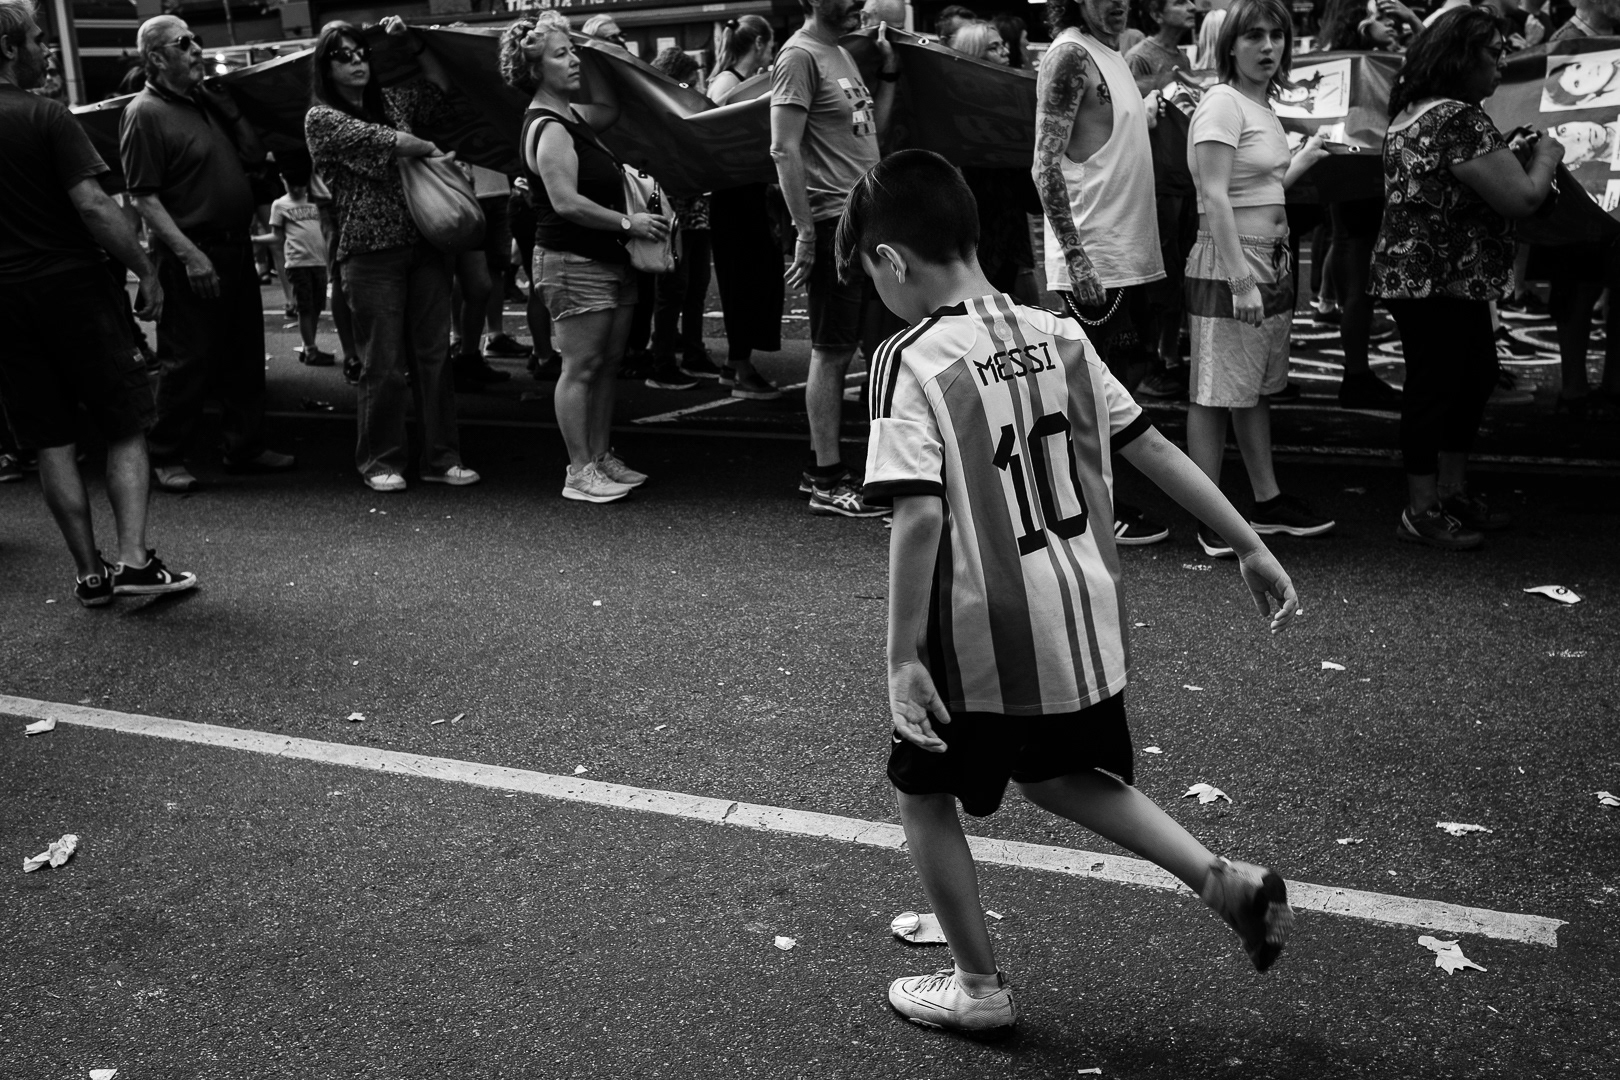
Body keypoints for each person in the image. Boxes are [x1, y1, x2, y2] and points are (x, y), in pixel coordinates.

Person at [839, 149, 1299, 1036]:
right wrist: (1248, 542)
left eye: (869, 271)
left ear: (891, 261)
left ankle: (978, 987)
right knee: (1057, 773)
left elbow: (921, 519)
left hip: (975, 634)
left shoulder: (911, 357)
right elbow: (1153, 450)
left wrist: (901, 657)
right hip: (1078, 617)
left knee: (925, 793)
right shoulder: (1061, 335)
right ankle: (1220, 879)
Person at [0, 0, 196, 603]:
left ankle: (90, 574)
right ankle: (134, 563)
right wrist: (148, 271)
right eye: (37, 39)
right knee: (124, 421)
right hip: (73, 290)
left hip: (4, 304)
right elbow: (92, 205)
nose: (45, 49)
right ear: (9, 49)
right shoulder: (44, 115)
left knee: (51, 438)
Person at [1370, 7, 1562, 549]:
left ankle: (1449, 494)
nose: (1501, 63)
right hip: (1439, 279)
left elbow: (1469, 176)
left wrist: (1508, 153)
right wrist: (1546, 155)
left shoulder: (1413, 110)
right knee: (1438, 387)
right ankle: (1422, 508)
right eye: (1493, 53)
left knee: (1471, 377)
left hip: (1426, 277)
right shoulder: (1458, 118)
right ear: (1460, 56)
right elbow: (1522, 198)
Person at [1184, 0, 1337, 558]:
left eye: (1277, 36)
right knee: (1214, 391)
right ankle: (1212, 517)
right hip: (1234, 262)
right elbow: (1215, 196)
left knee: (1253, 389)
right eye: (1254, 36)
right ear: (1229, 45)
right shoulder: (1222, 102)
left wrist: (1306, 158)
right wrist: (1240, 280)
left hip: (1269, 258)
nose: (1268, 47)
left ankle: (1266, 501)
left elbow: (1260, 188)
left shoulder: (1258, 104)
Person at [304, 18, 481, 493]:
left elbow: (444, 90)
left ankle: (441, 459)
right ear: (326, 66)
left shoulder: (395, 100)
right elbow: (394, 142)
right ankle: (380, 460)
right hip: (368, 254)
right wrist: (430, 150)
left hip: (424, 244)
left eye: (361, 51)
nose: (357, 60)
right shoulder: (321, 119)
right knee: (381, 363)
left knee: (433, 358)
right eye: (343, 54)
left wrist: (410, 41)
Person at [121, 15, 294, 493]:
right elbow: (145, 198)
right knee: (187, 359)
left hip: (234, 248)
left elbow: (256, 158)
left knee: (243, 354)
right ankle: (165, 454)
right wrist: (190, 255)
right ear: (156, 57)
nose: (197, 48)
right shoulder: (145, 113)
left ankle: (245, 446)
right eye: (184, 43)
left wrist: (232, 111)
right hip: (192, 255)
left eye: (195, 39)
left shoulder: (206, 102)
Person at [503, 11, 667, 503]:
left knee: (607, 363)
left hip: (606, 259)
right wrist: (628, 223)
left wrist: (595, 52)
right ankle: (579, 470)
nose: (572, 60)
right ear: (536, 69)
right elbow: (565, 202)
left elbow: (611, 107)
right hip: (572, 260)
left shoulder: (573, 116)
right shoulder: (549, 125)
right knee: (581, 367)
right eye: (562, 54)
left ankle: (600, 457)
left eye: (573, 51)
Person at [1034, 0, 1173, 545]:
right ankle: (1089, 509)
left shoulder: (1112, 53)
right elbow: (1044, 164)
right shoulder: (1069, 55)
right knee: (1089, 394)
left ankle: (1097, 497)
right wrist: (1076, 258)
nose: (1116, 2)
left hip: (1127, 255)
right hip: (1094, 259)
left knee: (1120, 381)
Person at [771, 0, 900, 517]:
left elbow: (870, 135)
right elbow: (783, 149)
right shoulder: (798, 56)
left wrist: (888, 73)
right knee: (831, 349)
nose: (858, 2)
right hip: (832, 222)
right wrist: (806, 231)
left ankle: (836, 470)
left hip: (863, 218)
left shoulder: (839, 54)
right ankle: (825, 477)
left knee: (867, 344)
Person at [708, 15, 786, 401]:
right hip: (733, 195)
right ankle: (739, 365)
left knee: (757, 278)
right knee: (742, 281)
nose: (771, 52)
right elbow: (713, 131)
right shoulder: (725, 82)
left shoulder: (740, 79)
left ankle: (737, 362)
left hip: (749, 192)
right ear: (757, 43)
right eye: (770, 45)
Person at [1128, 0, 1198, 403]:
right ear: (1155, 13)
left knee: (1184, 270)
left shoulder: (1183, 55)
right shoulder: (1139, 58)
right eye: (1178, 2)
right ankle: (1156, 361)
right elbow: (1134, 120)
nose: (1190, 7)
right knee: (1164, 274)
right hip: (1158, 183)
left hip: (1186, 179)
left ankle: (1171, 355)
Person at [647, 47, 719, 386]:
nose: (696, 90)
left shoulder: (688, 113)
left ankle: (693, 352)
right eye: (688, 84)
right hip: (674, 215)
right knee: (673, 289)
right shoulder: (658, 118)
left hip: (697, 214)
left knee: (696, 287)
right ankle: (662, 362)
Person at [261, 158, 333, 368]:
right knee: (304, 308)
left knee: (317, 305)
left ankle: (307, 346)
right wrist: (255, 240)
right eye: (292, 185)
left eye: (300, 185)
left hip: (318, 261)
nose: (296, 189)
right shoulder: (280, 204)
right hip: (297, 263)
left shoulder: (315, 201)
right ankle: (310, 350)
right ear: (283, 180)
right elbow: (277, 236)